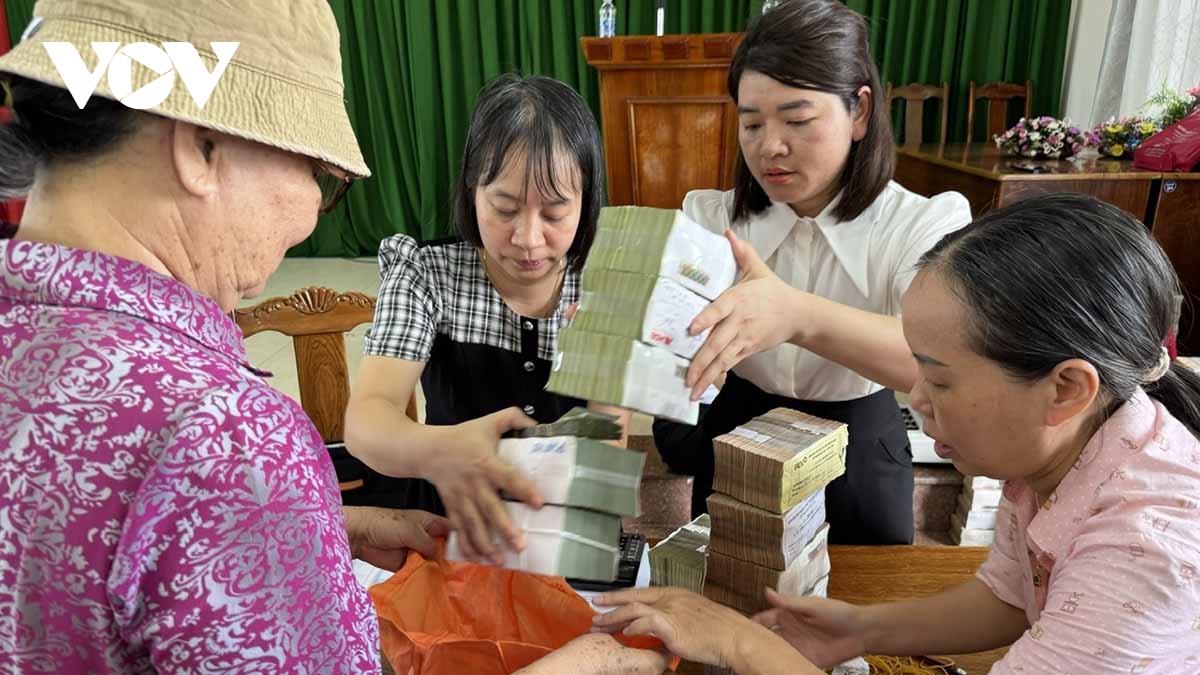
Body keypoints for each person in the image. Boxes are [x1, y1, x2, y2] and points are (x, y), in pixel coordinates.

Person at [0, 1, 661, 672]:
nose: (313, 210)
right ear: (200, 145)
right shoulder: (229, 438)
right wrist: (586, 666)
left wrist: (326, 525)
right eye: (318, 172)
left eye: (555, 212)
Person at [594, 194, 1200, 673]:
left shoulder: (1144, 550)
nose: (915, 399)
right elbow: (1013, 595)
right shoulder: (1057, 453)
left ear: (1066, 389)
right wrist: (863, 629)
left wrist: (738, 644)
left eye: (938, 382)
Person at [650, 0, 972, 544]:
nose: (770, 146)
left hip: (859, 447)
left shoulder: (922, 222)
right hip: (739, 435)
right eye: (751, 124)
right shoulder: (710, 218)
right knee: (731, 596)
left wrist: (796, 316)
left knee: (866, 605)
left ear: (860, 113)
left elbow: (943, 361)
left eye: (798, 120)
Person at [344, 74, 630, 563]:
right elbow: (367, 421)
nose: (528, 239)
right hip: (449, 527)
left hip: (561, 532)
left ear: (587, 204)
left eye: (556, 213)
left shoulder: (607, 282)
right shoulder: (426, 273)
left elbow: (609, 454)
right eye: (505, 208)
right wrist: (444, 449)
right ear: (471, 190)